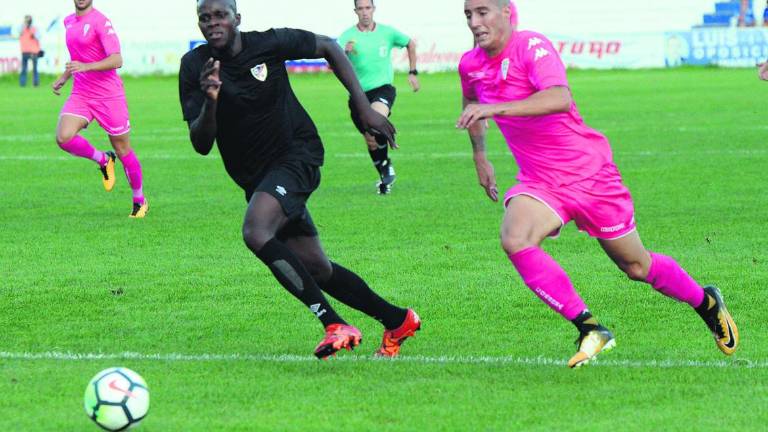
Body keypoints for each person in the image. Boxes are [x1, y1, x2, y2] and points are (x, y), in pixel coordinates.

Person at [457, 0, 739, 368]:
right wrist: (480, 155)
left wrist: (496, 109)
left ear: (506, 12)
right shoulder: (470, 64)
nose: (475, 22)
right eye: (468, 15)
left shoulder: (531, 46)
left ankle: (706, 301)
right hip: (541, 180)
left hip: (590, 174)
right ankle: (589, 327)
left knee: (637, 267)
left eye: (482, 12)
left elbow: (559, 98)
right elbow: (471, 105)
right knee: (515, 238)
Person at [179, 0, 420, 359]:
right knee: (316, 267)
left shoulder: (268, 43)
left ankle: (333, 323)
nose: (212, 23)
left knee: (256, 232)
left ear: (237, 19)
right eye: (204, 18)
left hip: (297, 155)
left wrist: (364, 107)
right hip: (257, 177)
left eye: (220, 15)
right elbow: (201, 143)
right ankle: (398, 320)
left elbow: (328, 46)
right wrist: (210, 99)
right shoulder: (195, 66)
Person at [52, 0, 148, 218]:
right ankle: (104, 160)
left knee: (123, 150)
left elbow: (117, 59)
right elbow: (77, 56)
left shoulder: (101, 22)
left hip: (109, 96)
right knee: (63, 137)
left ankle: (139, 200)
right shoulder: (68, 22)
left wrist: (87, 67)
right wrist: (64, 77)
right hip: (82, 93)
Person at [337, 0, 420, 195]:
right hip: (358, 95)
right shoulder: (347, 37)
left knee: (376, 121)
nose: (365, 12)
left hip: (383, 89)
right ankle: (384, 170)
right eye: (361, 8)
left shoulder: (387, 33)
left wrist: (413, 72)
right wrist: (344, 54)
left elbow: (410, 43)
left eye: (368, 8)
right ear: (355, 11)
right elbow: (332, 65)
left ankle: (386, 168)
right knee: (371, 140)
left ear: (373, 9)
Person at [18, 15, 42, 88]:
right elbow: (18, 32)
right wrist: (24, 25)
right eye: (26, 20)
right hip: (24, 51)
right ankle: (22, 84)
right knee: (23, 69)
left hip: (33, 51)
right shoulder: (22, 28)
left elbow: (38, 36)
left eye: (28, 20)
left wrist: (32, 31)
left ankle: (36, 83)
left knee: (35, 69)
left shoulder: (34, 29)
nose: (27, 22)